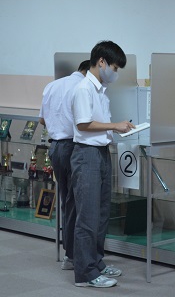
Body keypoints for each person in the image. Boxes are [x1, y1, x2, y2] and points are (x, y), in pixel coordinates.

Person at [70, 41, 135, 288]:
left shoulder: (101, 90)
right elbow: (83, 124)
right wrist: (114, 126)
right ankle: (85, 273)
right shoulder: (83, 89)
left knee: (100, 214)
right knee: (87, 216)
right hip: (86, 154)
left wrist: (119, 129)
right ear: (101, 62)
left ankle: (96, 262)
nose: (115, 73)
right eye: (115, 67)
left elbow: (98, 125)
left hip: (101, 153)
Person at [39, 59, 90, 271]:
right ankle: (74, 256)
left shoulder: (52, 85)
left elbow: (42, 120)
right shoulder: (83, 87)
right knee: (77, 203)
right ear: (88, 71)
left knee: (67, 201)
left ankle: (70, 254)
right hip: (74, 147)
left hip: (56, 149)